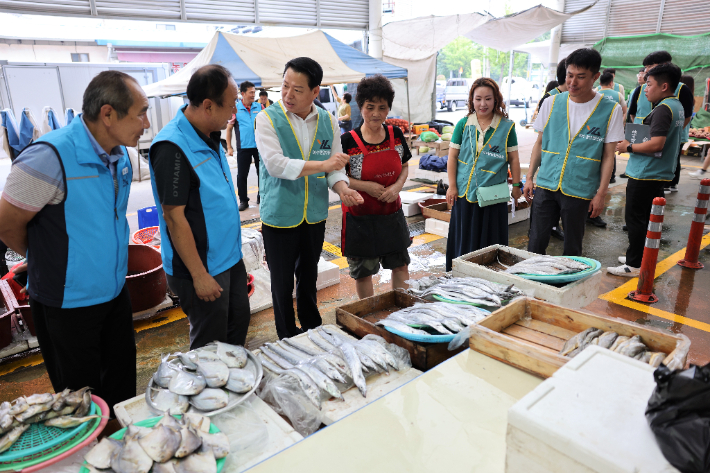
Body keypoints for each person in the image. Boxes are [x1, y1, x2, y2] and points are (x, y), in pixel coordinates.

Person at [0, 71, 150, 414]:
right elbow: (7, 225)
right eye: (140, 113)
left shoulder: (120, 154)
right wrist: (55, 260)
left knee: (122, 388)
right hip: (67, 304)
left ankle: (120, 453)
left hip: (113, 293)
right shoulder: (48, 158)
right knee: (81, 402)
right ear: (108, 114)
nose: (145, 122)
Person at [255, 57, 363, 339]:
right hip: (280, 214)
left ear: (316, 92)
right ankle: (287, 335)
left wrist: (343, 189)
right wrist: (324, 166)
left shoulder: (327, 120)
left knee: (308, 277)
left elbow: (335, 167)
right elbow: (275, 164)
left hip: (314, 214)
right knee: (281, 282)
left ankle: (312, 328)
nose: (288, 95)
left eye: (298, 89)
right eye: (285, 86)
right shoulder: (266, 118)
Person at [149, 65, 251, 349]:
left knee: (237, 327)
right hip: (202, 266)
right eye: (230, 105)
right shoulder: (173, 147)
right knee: (210, 345)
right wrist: (198, 275)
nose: (233, 113)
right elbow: (173, 216)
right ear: (208, 106)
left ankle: (233, 389)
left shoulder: (208, 134)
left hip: (227, 258)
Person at [523, 48, 624, 257]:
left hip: (580, 188)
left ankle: (567, 285)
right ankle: (530, 283)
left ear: (595, 77)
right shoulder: (551, 103)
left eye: (580, 77)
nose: (572, 82)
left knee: (573, 245)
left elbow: (608, 156)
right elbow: (539, 142)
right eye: (570, 75)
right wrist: (530, 177)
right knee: (536, 240)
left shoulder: (610, 109)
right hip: (546, 183)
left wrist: (600, 194)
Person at [608, 63, 684, 277]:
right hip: (658, 172)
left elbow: (657, 144)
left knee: (635, 219)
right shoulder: (676, 106)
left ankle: (633, 265)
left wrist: (628, 147)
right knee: (648, 219)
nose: (645, 88)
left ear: (664, 86)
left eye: (649, 84)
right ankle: (640, 256)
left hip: (646, 173)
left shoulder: (662, 110)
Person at [340, 75, 412, 298]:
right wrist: (366, 186)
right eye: (370, 107)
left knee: (400, 266)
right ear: (360, 106)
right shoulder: (348, 141)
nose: (376, 114)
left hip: (392, 215)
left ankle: (402, 310)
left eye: (382, 108)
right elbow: (337, 177)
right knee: (364, 273)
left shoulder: (396, 135)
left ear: (388, 108)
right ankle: (369, 315)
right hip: (360, 218)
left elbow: (405, 166)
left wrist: (397, 187)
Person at [446, 78, 521, 270]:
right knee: (464, 239)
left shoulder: (507, 127)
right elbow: (452, 157)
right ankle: (462, 275)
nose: (483, 104)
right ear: (471, 100)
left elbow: (514, 159)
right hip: (464, 193)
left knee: (490, 241)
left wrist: (517, 185)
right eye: (478, 99)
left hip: (492, 197)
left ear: (496, 100)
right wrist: (452, 187)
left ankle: (489, 276)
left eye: (488, 98)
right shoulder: (463, 124)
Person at [532, 59, 568, 241]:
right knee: (543, 202)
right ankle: (540, 230)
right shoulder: (550, 98)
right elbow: (541, 136)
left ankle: (554, 226)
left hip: (565, 163)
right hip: (549, 159)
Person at [225, 81, 262, 210]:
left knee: (262, 173)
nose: (253, 95)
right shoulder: (236, 109)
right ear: (243, 93)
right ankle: (243, 201)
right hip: (243, 147)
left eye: (254, 92)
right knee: (242, 175)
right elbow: (229, 128)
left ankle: (261, 196)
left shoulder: (260, 107)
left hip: (259, 147)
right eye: (251, 92)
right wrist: (229, 147)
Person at [665, 74, 695, 193]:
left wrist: (676, 131)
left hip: (679, 133)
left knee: (672, 158)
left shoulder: (682, 92)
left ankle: (669, 183)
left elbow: (687, 117)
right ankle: (673, 184)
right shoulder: (689, 95)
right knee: (675, 158)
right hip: (681, 133)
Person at [598, 71, 628, 184]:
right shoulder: (618, 95)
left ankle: (599, 175)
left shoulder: (595, 93)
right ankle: (611, 177)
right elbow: (625, 111)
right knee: (610, 154)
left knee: (598, 151)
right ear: (611, 83)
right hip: (613, 129)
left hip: (598, 128)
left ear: (600, 82)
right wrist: (620, 123)